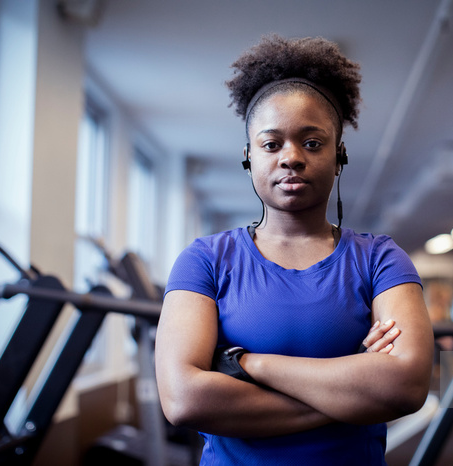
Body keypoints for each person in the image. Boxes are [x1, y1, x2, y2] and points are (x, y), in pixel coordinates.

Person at [155, 34, 434, 465]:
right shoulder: (205, 260)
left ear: (339, 156)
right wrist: (351, 392)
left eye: (312, 142)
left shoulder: (380, 259)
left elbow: (407, 387)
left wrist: (246, 364)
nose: (291, 158)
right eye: (271, 144)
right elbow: (184, 400)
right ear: (248, 156)